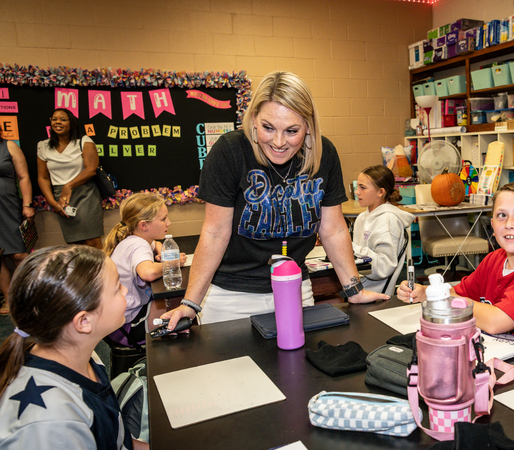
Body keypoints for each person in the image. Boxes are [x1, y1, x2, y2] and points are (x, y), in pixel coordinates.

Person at [161, 71, 388, 328]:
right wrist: (190, 303)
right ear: (254, 117)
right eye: (268, 128)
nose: (279, 142)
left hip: (295, 288)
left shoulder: (324, 154)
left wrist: (353, 290)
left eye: (292, 131)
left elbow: (333, 229)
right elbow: (215, 232)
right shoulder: (230, 151)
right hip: (231, 296)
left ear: (309, 127)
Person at [397, 181, 514, 354]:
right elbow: (459, 292)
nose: (509, 224)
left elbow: (494, 322)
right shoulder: (494, 259)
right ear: (493, 226)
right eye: (501, 215)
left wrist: (442, 297)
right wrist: (425, 292)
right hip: (500, 350)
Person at [0, 245, 148, 449]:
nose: (125, 290)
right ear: (84, 322)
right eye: (117, 288)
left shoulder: (85, 355)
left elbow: (116, 439)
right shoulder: (49, 423)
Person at [102, 193, 186, 347]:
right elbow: (148, 272)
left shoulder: (137, 238)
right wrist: (173, 263)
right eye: (163, 219)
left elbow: (157, 245)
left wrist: (162, 254)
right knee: (180, 306)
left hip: (119, 323)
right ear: (143, 225)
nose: (169, 222)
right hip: (127, 327)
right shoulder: (138, 245)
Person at [36, 108, 104, 249]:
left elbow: (91, 170)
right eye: (54, 119)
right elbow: (43, 177)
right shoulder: (43, 146)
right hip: (60, 196)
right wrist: (52, 202)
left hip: (85, 193)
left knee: (92, 241)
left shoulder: (84, 141)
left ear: (71, 122)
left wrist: (69, 186)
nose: (57, 122)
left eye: (62, 119)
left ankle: (100, 270)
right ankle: (80, 271)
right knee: (74, 244)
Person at [352, 165, 415, 292]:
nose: (357, 192)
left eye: (362, 187)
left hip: (375, 294)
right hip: (356, 285)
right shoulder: (361, 218)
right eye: (357, 187)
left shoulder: (389, 220)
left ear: (381, 192)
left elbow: (383, 268)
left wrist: (350, 248)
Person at [0, 134, 34, 314]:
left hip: (8, 206)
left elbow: (23, 177)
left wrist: (27, 204)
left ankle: (29, 296)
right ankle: (9, 300)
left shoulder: (9, 146)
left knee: (19, 254)